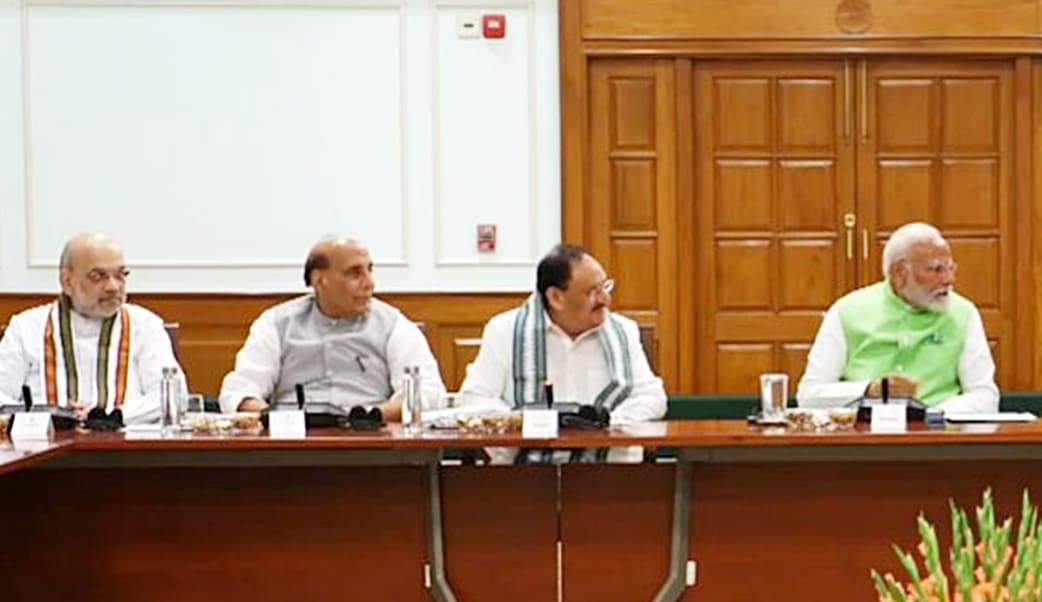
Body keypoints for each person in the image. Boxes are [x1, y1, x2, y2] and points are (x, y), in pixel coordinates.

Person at [457, 244, 666, 462]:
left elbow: (651, 397)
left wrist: (607, 424)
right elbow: (474, 399)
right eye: (592, 292)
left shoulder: (623, 331)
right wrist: (520, 423)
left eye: (605, 287)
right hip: (521, 477)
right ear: (556, 297)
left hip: (613, 474)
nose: (605, 299)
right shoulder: (505, 331)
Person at [219, 237, 443, 419]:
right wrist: (273, 419)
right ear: (319, 280)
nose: (369, 283)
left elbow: (428, 393)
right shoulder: (276, 324)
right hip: (291, 443)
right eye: (354, 273)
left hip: (371, 440)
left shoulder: (393, 325)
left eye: (369, 270)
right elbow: (238, 392)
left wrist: (371, 416)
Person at [797, 222, 998, 414]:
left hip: (938, 437)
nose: (948, 280)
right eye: (936, 269)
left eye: (950, 268)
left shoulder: (963, 313)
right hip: (863, 439)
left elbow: (985, 396)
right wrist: (869, 390)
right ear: (900, 272)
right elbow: (808, 396)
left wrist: (931, 414)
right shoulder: (847, 311)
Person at [0, 232, 184, 425]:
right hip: (43, 449)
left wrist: (112, 417)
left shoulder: (145, 325)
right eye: (98, 277)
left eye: (121, 275)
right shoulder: (26, 327)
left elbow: (173, 396)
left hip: (127, 448)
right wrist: (46, 416)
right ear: (67, 281)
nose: (113, 286)